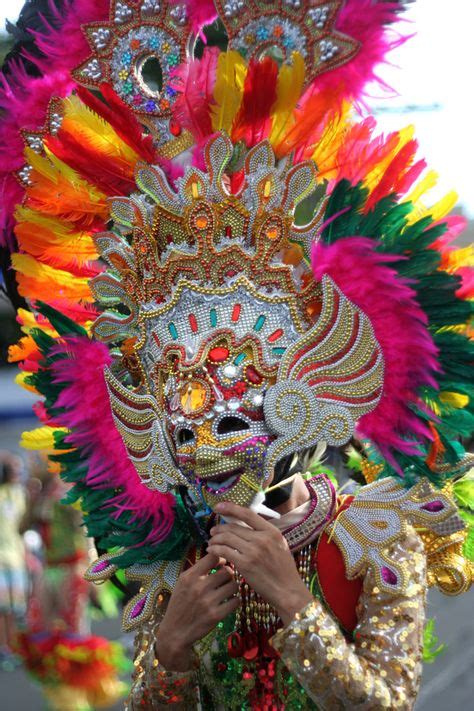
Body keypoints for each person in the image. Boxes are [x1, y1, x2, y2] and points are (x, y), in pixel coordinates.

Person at [1, 1, 472, 709]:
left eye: (225, 421)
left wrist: (294, 601)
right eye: (182, 431)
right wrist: (172, 650)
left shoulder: (373, 533)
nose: (201, 452)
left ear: (298, 399)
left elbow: (391, 700)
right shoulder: (183, 558)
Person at [0, 451, 27, 669]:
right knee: (2, 609)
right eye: (12, 469)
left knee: (16, 608)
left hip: (16, 559)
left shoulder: (18, 494)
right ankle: (4, 648)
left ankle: (14, 647)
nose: (17, 473)